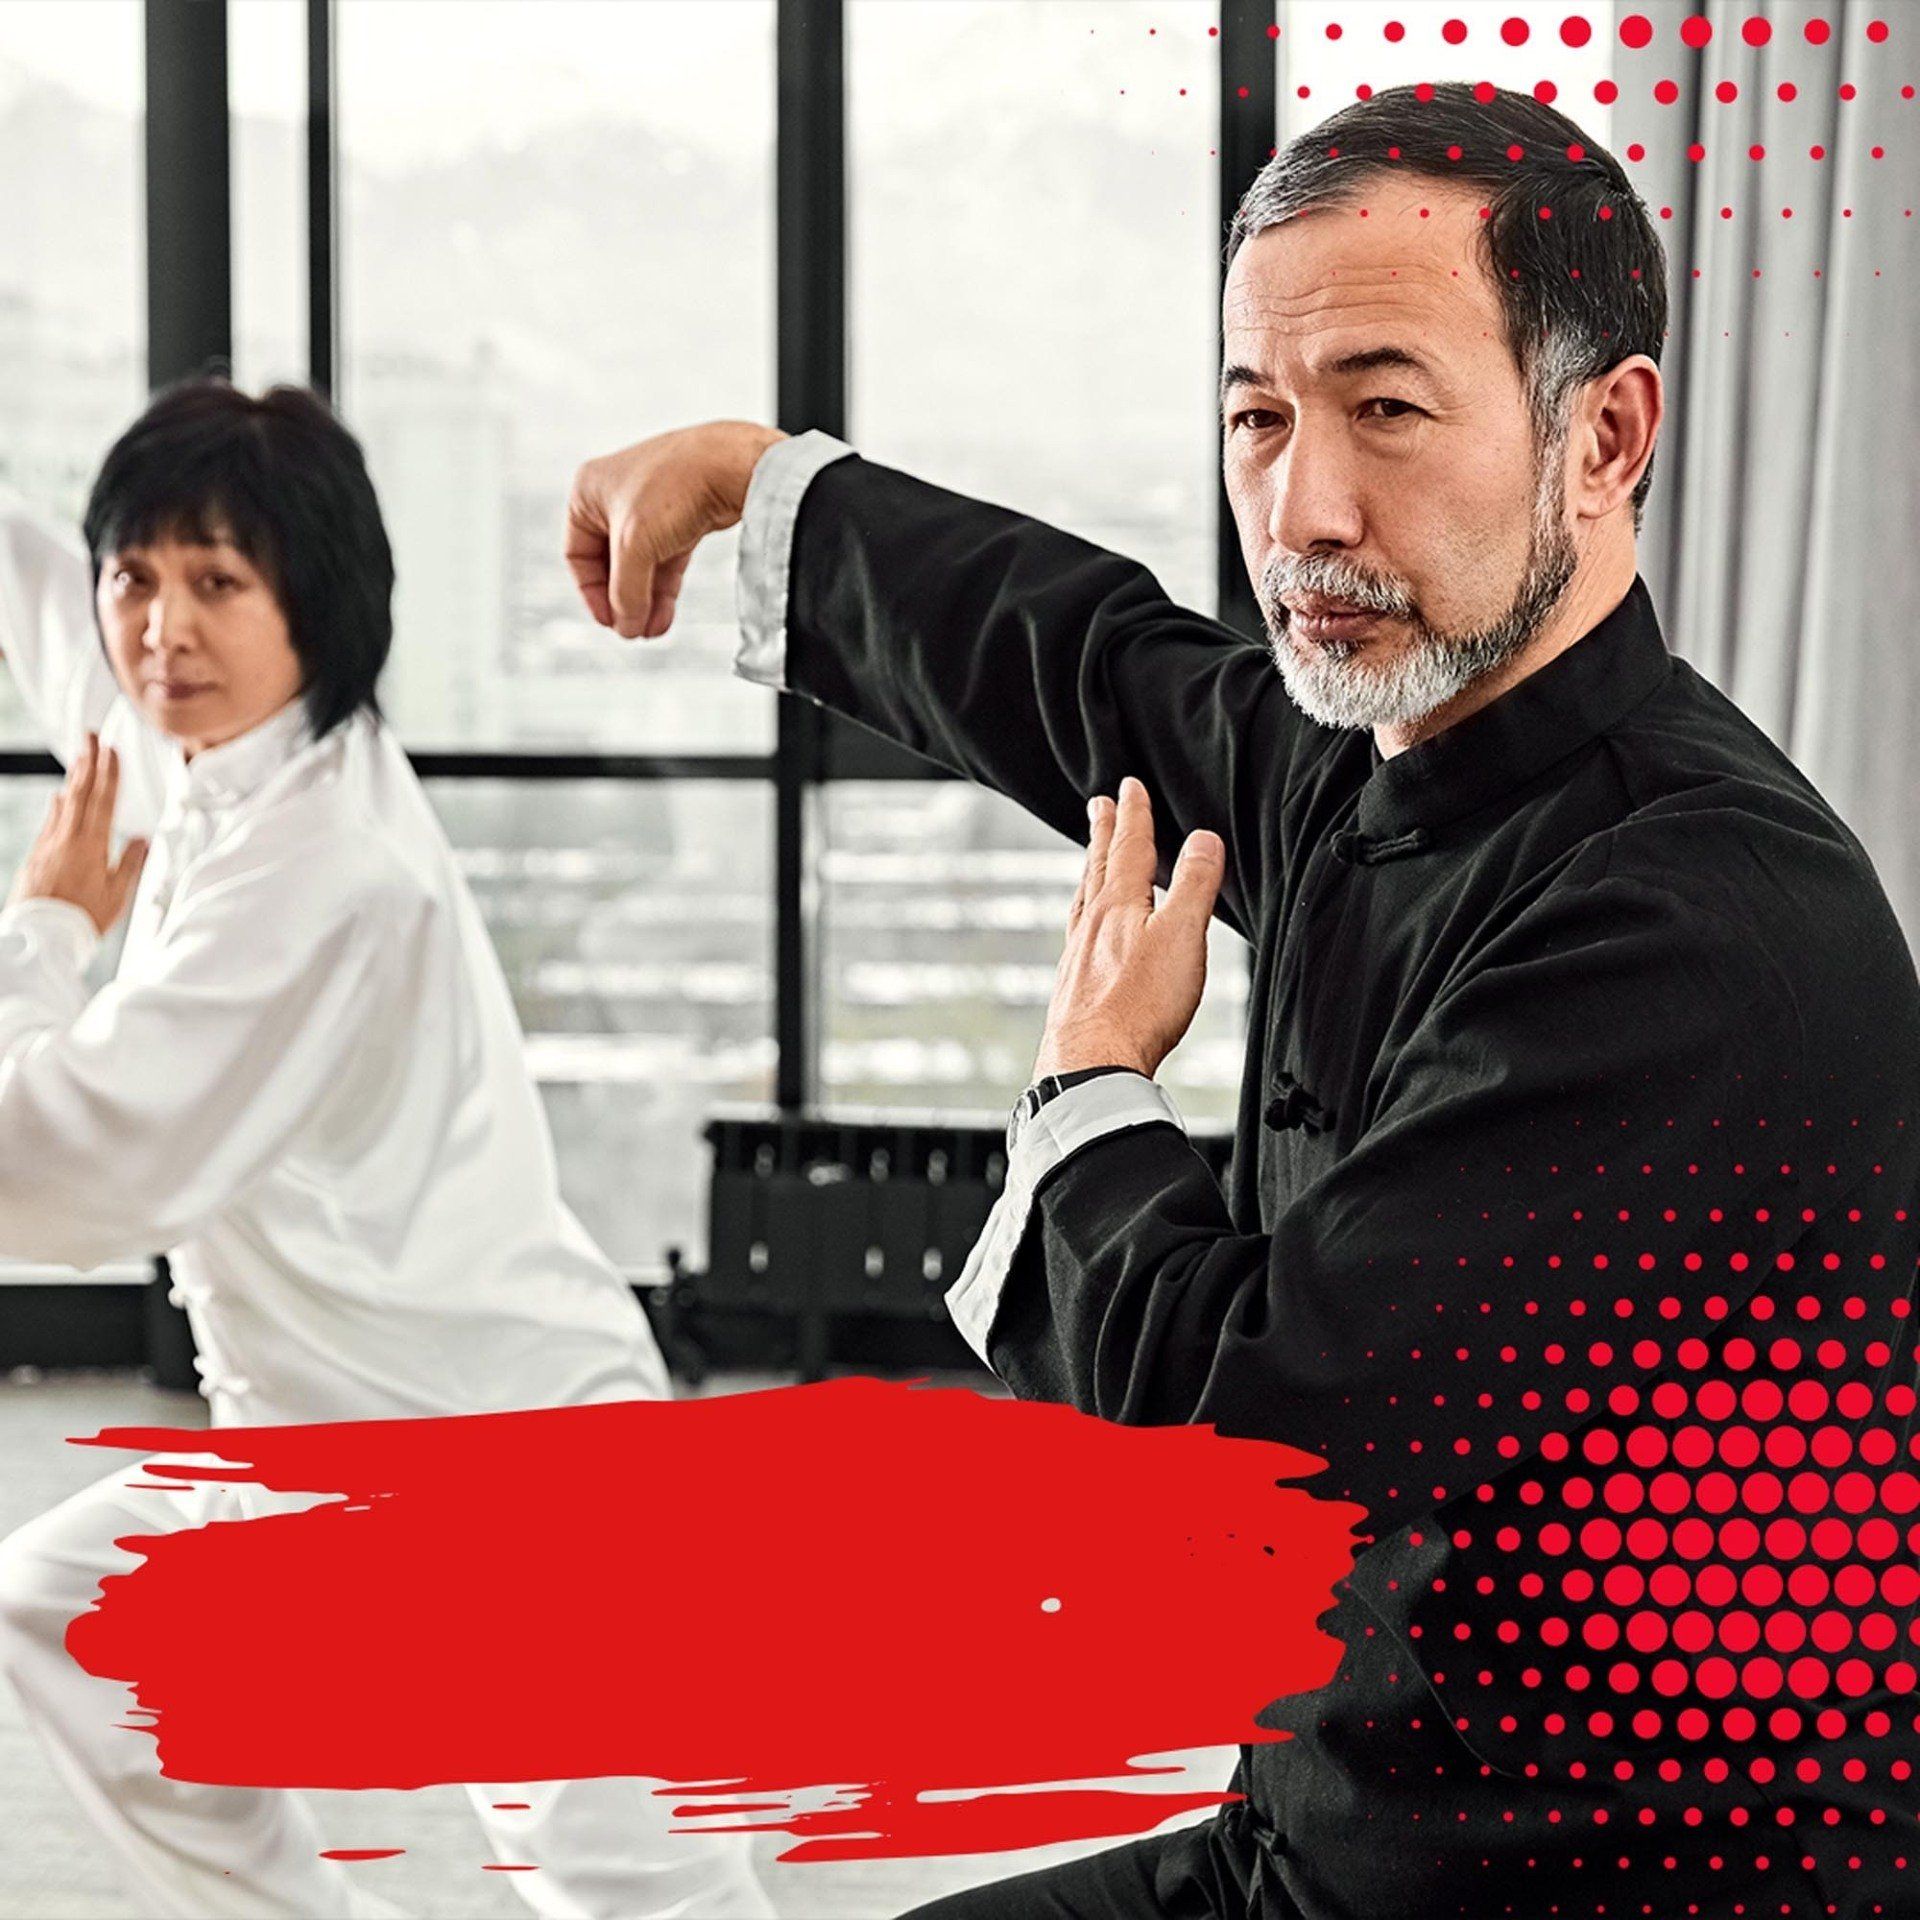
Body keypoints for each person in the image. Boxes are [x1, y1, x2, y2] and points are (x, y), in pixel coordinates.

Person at [564, 86, 1920, 1919]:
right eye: (1259, 418)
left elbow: (1233, 1472)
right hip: (1334, 1831)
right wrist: (756, 481)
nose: (1305, 509)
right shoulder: (1398, 747)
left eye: (1384, 408)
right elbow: (1096, 665)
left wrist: (1089, 1092)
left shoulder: (1696, 922)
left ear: (1606, 435)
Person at [0, 381, 771, 1920]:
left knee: (642, 1900)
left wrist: (46, 934)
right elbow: (32, 593)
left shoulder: (321, 870)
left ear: (318, 607)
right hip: (304, 1466)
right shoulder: (199, 748)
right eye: (136, 580)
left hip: (518, 1492)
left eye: (218, 584)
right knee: (71, 1610)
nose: (160, 630)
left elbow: (63, 1168)